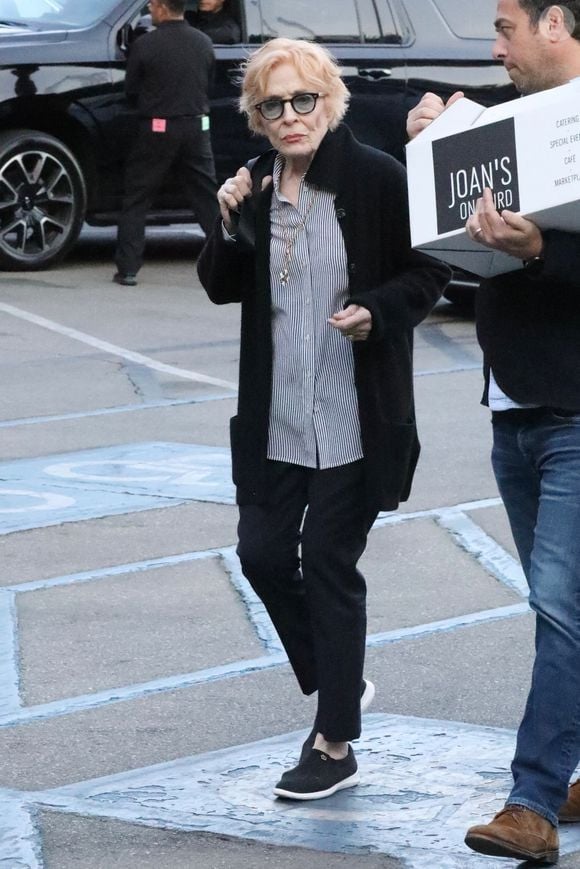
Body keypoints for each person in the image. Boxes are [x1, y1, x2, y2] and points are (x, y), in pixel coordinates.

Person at [197, 37, 450, 801]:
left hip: (355, 414)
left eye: (302, 100)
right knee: (263, 556)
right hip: (276, 418)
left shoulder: (374, 179)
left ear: (328, 100)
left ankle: (333, 741)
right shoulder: (256, 187)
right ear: (257, 117)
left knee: (331, 565)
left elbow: (429, 269)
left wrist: (378, 310)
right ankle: (340, 678)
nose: (289, 117)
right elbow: (220, 286)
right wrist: (229, 223)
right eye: (272, 106)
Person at [407, 0, 580, 863]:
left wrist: (543, 251)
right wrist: (431, 125)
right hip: (514, 402)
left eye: (507, 26)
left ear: (557, 23)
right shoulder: (509, 113)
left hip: (578, 413)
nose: (494, 44)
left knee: (562, 607)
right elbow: (422, 102)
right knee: (567, 607)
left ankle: (533, 802)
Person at [113, 0, 219, 287]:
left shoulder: (146, 45)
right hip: (198, 127)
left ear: (161, 7)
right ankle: (225, 265)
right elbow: (208, 84)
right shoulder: (204, 42)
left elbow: (131, 89)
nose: (150, 10)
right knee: (207, 198)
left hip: (158, 128)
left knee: (137, 197)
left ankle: (128, 269)